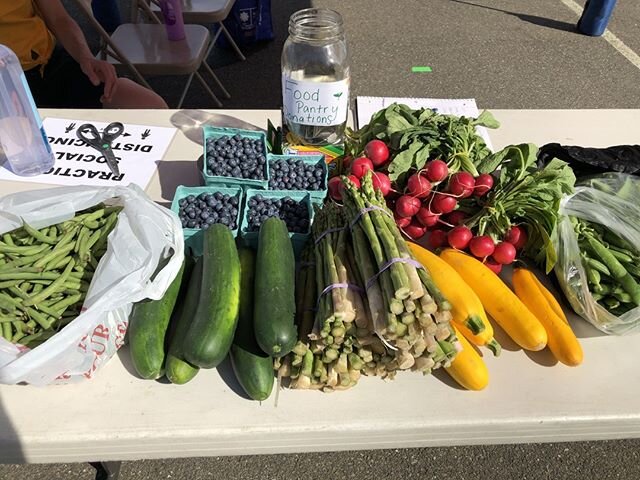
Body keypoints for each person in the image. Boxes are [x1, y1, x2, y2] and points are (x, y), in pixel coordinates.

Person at [0, 0, 168, 109]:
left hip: (50, 63)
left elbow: (59, 18)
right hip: (8, 80)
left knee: (150, 105)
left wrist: (85, 57)